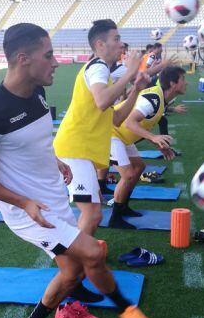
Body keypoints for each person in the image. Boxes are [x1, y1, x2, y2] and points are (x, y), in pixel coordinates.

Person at [0, 23, 153, 318]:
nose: (56, 62)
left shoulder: (38, 94)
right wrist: (24, 203)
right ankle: (126, 309)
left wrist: (55, 161)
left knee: (72, 272)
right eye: (49, 55)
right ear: (23, 59)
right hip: (29, 211)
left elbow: (33, 142)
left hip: (51, 195)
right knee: (93, 253)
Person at [53, 19, 145, 237]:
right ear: (100, 44)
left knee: (92, 213)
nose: (121, 44)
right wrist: (130, 73)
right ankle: (78, 256)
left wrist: (135, 90)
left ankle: (80, 253)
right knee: (93, 214)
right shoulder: (98, 67)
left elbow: (116, 118)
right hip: (75, 149)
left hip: (81, 150)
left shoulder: (103, 72)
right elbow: (102, 101)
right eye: (116, 39)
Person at [108, 66, 188, 229]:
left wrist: (158, 144)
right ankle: (115, 218)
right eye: (183, 79)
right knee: (128, 175)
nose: (186, 83)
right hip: (110, 133)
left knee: (139, 167)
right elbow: (130, 122)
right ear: (172, 83)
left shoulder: (161, 99)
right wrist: (154, 137)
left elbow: (142, 125)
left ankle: (123, 207)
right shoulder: (154, 98)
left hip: (121, 136)